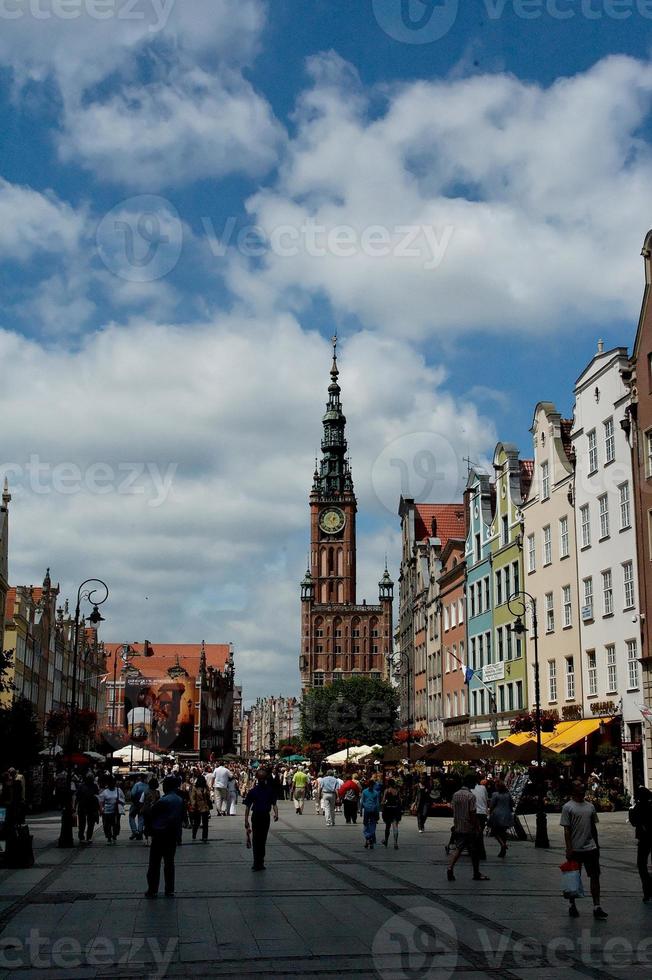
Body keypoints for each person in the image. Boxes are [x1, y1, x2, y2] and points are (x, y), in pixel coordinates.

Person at [560, 780, 607, 919]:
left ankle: (597, 906)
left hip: (591, 848)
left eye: (582, 786)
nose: (582, 788)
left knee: (595, 877)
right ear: (573, 790)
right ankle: (572, 905)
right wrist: (569, 848)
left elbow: (593, 828)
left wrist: (597, 845)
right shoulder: (567, 807)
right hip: (575, 849)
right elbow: (566, 830)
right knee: (573, 878)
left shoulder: (590, 807)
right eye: (578, 786)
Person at [144, 775, 185, 897]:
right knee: (169, 864)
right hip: (172, 835)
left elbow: (151, 814)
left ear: (167, 786)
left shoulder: (164, 801)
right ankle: (169, 889)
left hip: (160, 834)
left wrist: (149, 806)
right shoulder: (179, 800)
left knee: (154, 864)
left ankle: (152, 889)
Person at [447, 774, 489, 882]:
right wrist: (477, 826)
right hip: (469, 827)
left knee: (458, 848)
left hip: (458, 825)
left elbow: (453, 808)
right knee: (474, 851)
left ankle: (450, 867)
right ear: (470, 783)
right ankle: (476, 873)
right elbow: (472, 813)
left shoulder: (455, 795)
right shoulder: (471, 796)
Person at [244, 768, 278, 871]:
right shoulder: (268, 790)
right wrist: (276, 814)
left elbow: (248, 807)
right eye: (262, 778)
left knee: (258, 839)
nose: (262, 780)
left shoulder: (254, 791)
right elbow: (274, 804)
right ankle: (259, 862)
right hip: (262, 816)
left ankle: (258, 862)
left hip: (259, 816)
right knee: (261, 839)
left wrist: (246, 820)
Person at [629, 785, 652, 902]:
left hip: (643, 839)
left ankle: (647, 888)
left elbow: (633, 822)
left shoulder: (637, 808)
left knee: (641, 864)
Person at [488, 779, 513, 858]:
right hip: (507, 814)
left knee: (495, 831)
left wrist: (490, 813)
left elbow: (492, 805)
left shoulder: (495, 794)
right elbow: (512, 803)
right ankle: (503, 850)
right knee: (503, 832)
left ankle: (502, 845)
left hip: (497, 815)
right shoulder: (508, 794)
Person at [99, 776, 125, 844]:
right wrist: (101, 810)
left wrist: (120, 802)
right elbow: (101, 801)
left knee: (115, 824)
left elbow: (123, 798)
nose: (112, 784)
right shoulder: (105, 792)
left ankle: (114, 835)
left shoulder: (118, 790)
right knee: (107, 825)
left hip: (116, 810)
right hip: (106, 811)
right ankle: (109, 837)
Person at [76, 775, 100, 844]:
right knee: (84, 823)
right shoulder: (84, 786)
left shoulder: (89, 786)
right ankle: (85, 837)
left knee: (88, 823)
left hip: (89, 806)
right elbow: (97, 796)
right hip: (85, 806)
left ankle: (86, 837)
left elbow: (96, 796)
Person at [189, 774, 212, 842]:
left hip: (205, 807)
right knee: (197, 822)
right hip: (197, 806)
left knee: (205, 823)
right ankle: (194, 834)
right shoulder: (194, 788)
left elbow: (208, 795)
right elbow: (193, 798)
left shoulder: (205, 787)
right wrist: (193, 805)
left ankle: (205, 836)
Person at [381, 779, 402, 849]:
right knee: (395, 826)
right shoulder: (397, 791)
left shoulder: (387, 791)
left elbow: (383, 801)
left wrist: (383, 804)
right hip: (395, 809)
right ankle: (395, 843)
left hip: (388, 810)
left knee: (388, 826)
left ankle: (386, 841)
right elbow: (399, 801)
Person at [360, 779, 380, 849]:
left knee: (366, 825)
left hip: (367, 810)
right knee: (372, 825)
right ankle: (371, 839)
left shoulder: (364, 792)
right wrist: (377, 814)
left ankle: (367, 838)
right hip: (373, 810)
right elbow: (377, 804)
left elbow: (362, 802)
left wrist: (360, 811)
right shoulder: (376, 793)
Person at [128, 773, 149, 841]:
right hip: (143, 804)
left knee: (131, 817)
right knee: (141, 818)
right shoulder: (147, 786)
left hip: (135, 803)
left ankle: (135, 831)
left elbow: (133, 794)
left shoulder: (137, 785)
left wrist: (134, 802)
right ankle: (140, 832)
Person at [140, 778, 160, 845]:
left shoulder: (145, 792)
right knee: (154, 826)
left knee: (146, 825)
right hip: (155, 812)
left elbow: (141, 801)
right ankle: (152, 839)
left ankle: (146, 840)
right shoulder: (158, 793)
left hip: (146, 811)